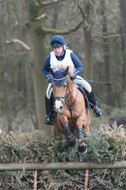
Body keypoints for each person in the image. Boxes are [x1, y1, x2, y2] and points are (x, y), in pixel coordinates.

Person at [42, 35, 103, 125]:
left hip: (71, 78)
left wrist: (75, 74)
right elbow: (44, 70)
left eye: (58, 48)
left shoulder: (70, 54)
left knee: (87, 86)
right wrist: (48, 76)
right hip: (57, 81)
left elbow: (80, 66)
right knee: (48, 93)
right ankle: (49, 115)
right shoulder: (50, 57)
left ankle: (95, 107)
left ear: (63, 47)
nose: (56, 50)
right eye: (54, 48)